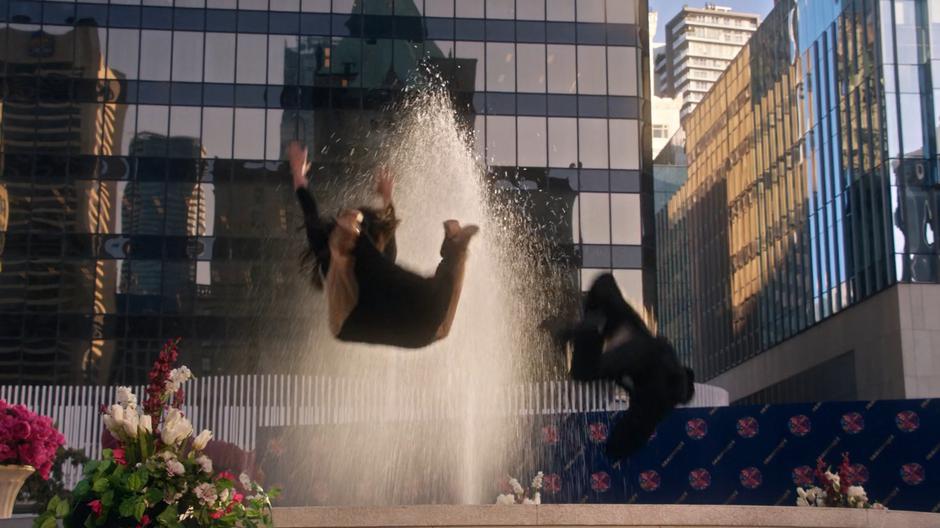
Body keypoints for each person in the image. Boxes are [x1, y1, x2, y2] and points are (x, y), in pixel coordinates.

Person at [289, 141, 479, 348]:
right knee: (436, 309)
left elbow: (311, 213)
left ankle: (456, 250)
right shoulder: (360, 254)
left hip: (363, 324)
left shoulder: (374, 258)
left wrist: (299, 178)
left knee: (440, 325)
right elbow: (311, 214)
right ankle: (456, 250)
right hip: (362, 315)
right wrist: (298, 177)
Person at [546, 273, 695, 461]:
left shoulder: (668, 362)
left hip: (637, 339)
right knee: (583, 373)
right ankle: (586, 329)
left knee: (605, 287)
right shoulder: (659, 402)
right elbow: (631, 434)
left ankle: (588, 325)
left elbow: (633, 430)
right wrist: (614, 450)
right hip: (636, 355)